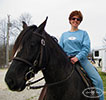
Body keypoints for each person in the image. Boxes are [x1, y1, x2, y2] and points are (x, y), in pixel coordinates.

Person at [59, 10, 104, 100]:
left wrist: (77, 57)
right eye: (73, 18)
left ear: (80, 22)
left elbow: (86, 48)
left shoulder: (84, 33)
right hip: (66, 60)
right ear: (70, 20)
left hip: (82, 60)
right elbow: (60, 49)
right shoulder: (64, 35)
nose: (75, 20)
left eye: (78, 19)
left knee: (98, 81)